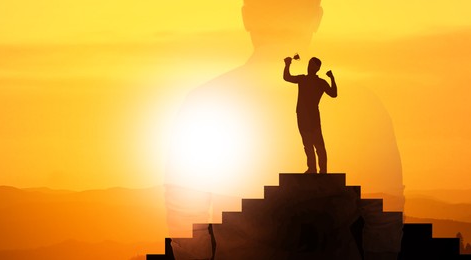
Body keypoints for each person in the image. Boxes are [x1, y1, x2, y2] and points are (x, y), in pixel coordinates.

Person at [164, 0, 404, 258]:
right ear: (317, 18)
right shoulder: (361, 103)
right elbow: (384, 214)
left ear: (246, 18)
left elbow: (186, 214)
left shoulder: (206, 101)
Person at [282, 56, 337, 174]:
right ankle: (312, 169)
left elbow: (333, 94)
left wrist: (332, 78)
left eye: (311, 65)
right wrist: (287, 64)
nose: (309, 67)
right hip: (302, 116)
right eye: (309, 64)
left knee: (318, 145)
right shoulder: (303, 79)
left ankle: (322, 171)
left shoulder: (319, 82)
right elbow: (287, 77)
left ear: (316, 68)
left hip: (312, 117)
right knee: (307, 144)